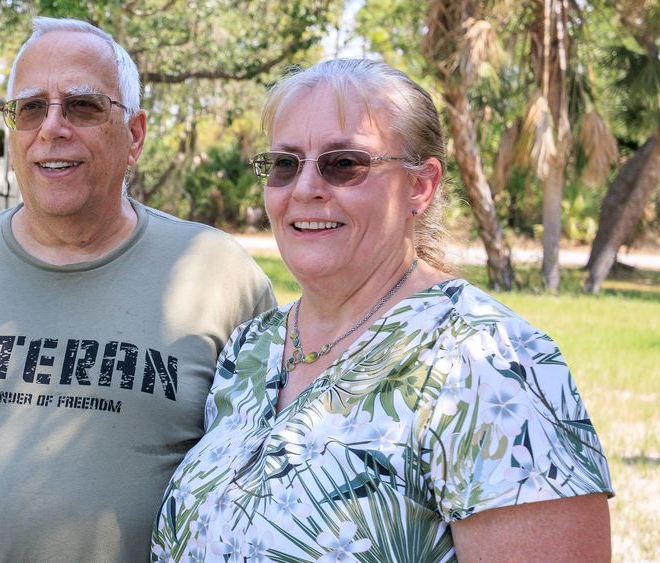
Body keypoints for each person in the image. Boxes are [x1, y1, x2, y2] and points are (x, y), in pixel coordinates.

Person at [152, 59, 613, 562]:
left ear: (421, 185)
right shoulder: (251, 347)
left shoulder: (491, 363)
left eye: (344, 163)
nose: (305, 188)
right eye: (285, 163)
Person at [0, 17, 276, 562]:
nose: (52, 128)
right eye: (31, 108)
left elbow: (275, 470)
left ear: (134, 135)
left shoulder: (219, 275)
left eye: (82, 107)